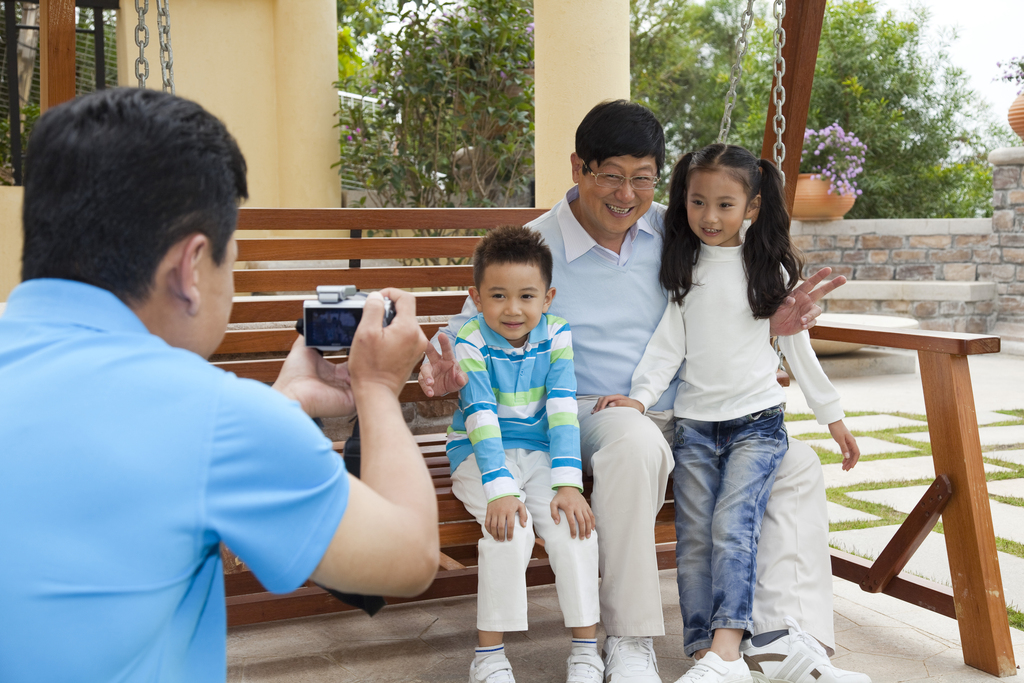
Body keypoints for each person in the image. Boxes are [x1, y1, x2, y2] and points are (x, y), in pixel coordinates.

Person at [419, 100, 870, 683]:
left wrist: (775, 323)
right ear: (578, 167)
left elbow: (737, 286)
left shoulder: (677, 229)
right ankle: (631, 639)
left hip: (689, 413)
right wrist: (442, 368)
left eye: (642, 178)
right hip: (576, 414)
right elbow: (468, 332)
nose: (626, 195)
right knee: (634, 442)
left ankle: (785, 638)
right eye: (610, 175)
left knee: (797, 463)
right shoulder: (534, 245)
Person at [0, 88, 438, 683]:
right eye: (230, 261)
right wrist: (379, 388)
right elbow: (410, 557)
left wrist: (281, 405)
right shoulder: (211, 418)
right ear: (190, 266)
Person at [594, 144, 861, 683]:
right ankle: (705, 656)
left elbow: (799, 351)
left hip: (757, 426)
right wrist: (640, 400)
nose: (709, 217)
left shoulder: (768, 271)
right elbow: (667, 348)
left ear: (753, 208)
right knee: (694, 538)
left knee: (732, 526)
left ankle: (729, 647)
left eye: (724, 205)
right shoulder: (686, 267)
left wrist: (832, 417)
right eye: (697, 203)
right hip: (694, 428)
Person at [448, 225, 602, 683]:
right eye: (498, 296)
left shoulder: (557, 336)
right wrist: (499, 492)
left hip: (539, 453)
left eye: (526, 296)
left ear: (548, 298)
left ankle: (585, 650)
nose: (512, 309)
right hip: (480, 455)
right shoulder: (471, 341)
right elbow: (480, 416)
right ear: (476, 298)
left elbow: (561, 411)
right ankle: (489, 656)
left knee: (574, 528)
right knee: (509, 530)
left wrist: (568, 485)